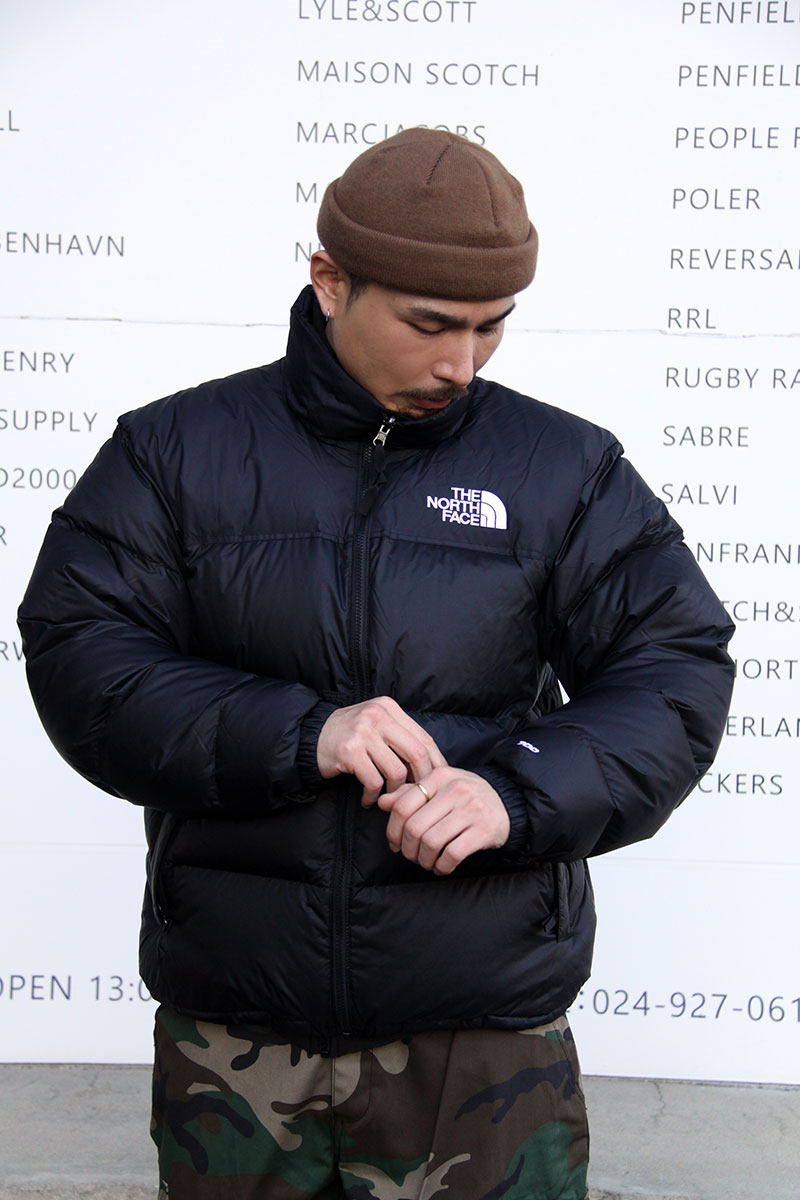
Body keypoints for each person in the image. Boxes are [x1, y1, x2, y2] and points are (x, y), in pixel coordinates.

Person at [18, 128, 734, 1200]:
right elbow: (84, 658)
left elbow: (674, 669)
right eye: (430, 323)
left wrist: (515, 793)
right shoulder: (171, 453)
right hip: (238, 1037)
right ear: (329, 280)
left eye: (492, 325)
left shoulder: (564, 469)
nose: (462, 363)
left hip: (482, 1040)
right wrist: (304, 732)